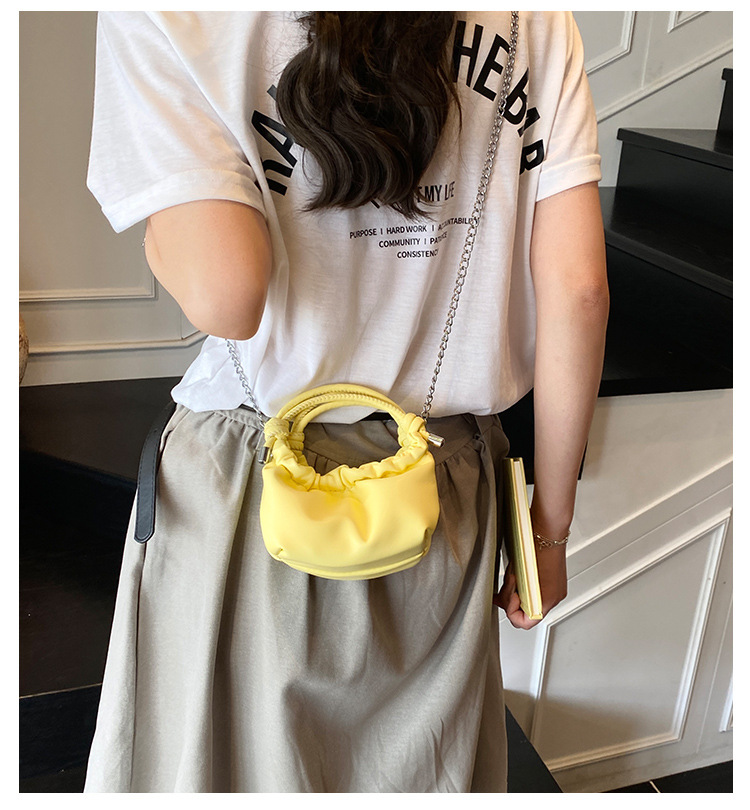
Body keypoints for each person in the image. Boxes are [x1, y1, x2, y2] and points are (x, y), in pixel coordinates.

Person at [83, 11, 608, 793]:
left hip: (253, 482)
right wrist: (550, 534)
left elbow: (225, 296)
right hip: (441, 480)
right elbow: (579, 290)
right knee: (423, 773)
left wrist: (159, 222)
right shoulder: (535, 16)